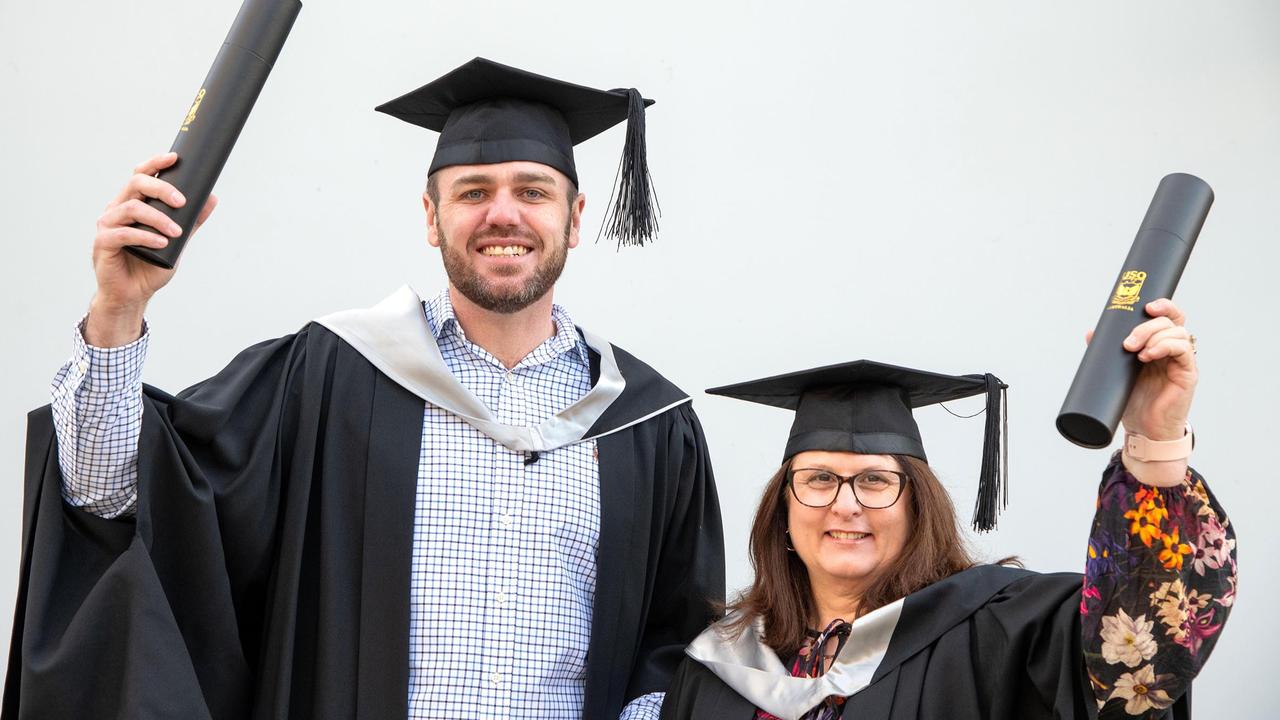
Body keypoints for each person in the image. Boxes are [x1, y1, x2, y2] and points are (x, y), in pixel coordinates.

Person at [5, 58, 723, 720]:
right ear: (430, 217)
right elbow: (106, 493)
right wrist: (119, 308)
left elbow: (679, 649)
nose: (503, 214)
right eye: (473, 192)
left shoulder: (646, 423)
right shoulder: (327, 376)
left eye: (532, 191)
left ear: (574, 218)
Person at [660, 300, 1234, 720]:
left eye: (876, 481)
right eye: (818, 480)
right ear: (782, 511)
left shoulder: (1000, 629)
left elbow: (1142, 651)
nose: (845, 504)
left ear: (918, 507)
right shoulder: (724, 661)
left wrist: (1154, 438)